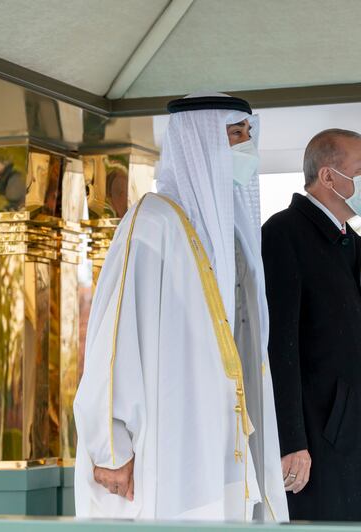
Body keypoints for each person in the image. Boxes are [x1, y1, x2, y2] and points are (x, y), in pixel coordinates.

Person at [73, 93, 288, 522]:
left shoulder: (230, 237)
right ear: (200, 141)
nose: (246, 145)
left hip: (221, 438)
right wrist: (110, 445)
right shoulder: (152, 224)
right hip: (169, 439)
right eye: (235, 134)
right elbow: (114, 341)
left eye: (249, 134)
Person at [262, 129, 361, 522]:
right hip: (321, 446)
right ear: (328, 177)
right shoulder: (285, 233)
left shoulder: (341, 240)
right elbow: (280, 345)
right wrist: (291, 441)